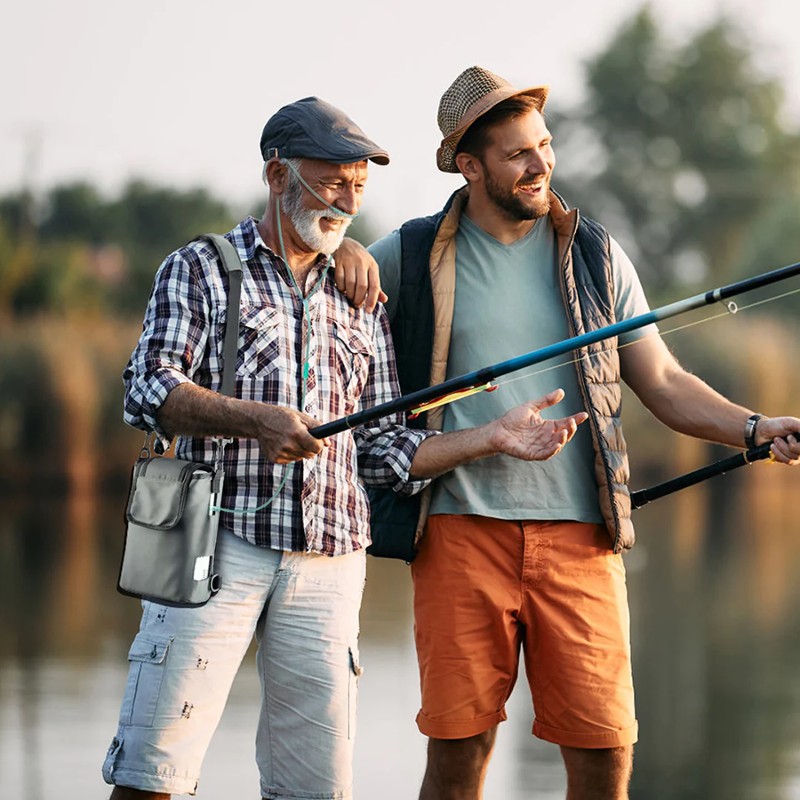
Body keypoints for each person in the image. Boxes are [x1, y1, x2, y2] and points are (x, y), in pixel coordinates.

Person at [101, 96, 589, 800]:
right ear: (277, 176)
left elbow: (384, 450)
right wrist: (257, 420)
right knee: (154, 774)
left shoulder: (362, 291)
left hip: (331, 559)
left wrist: (492, 438)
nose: (347, 199)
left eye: (359, 184)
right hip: (212, 547)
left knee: (315, 791)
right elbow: (145, 390)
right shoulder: (201, 267)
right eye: (331, 181)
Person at [336, 66, 800, 800]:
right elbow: (320, 280)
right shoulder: (411, 252)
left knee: (605, 753)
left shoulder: (596, 253)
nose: (541, 163)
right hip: (460, 535)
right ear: (470, 165)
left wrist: (753, 425)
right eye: (519, 153)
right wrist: (347, 253)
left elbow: (666, 383)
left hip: (583, 540)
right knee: (461, 754)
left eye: (545, 145)